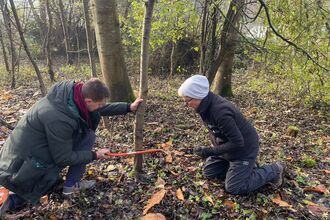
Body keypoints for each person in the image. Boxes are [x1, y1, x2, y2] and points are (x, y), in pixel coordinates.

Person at [0, 78, 143, 214]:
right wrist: (95, 155)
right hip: (20, 166)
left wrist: (128, 107)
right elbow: (63, 158)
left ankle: (68, 184)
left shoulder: (72, 96)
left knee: (88, 136)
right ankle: (65, 187)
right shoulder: (58, 118)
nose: (101, 107)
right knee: (21, 194)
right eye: (99, 104)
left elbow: (100, 108)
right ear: (88, 100)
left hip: (33, 152)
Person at [178, 75, 284, 195]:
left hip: (244, 150)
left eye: (188, 101)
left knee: (234, 187)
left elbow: (238, 142)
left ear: (198, 96)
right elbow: (215, 131)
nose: (186, 105)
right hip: (228, 149)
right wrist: (213, 148)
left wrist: (210, 151)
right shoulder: (204, 106)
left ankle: (275, 169)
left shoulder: (220, 111)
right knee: (210, 172)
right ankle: (244, 169)